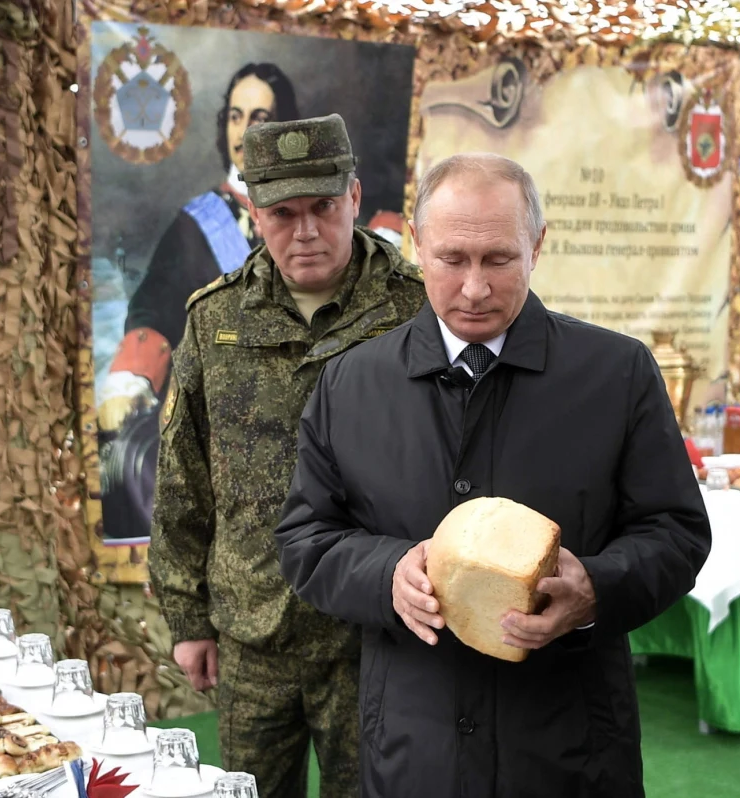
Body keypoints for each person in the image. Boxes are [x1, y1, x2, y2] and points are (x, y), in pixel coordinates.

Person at [274, 152, 711, 797]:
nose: (474, 288)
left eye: (498, 260)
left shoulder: (617, 375)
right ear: (416, 245)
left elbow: (676, 532)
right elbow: (304, 538)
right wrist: (388, 574)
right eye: (452, 259)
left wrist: (596, 587)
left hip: (568, 753)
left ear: (537, 244)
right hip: (412, 749)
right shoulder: (352, 383)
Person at [148, 114, 427, 798]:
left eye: (324, 208)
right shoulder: (216, 319)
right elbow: (183, 476)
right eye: (282, 213)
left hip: (372, 630)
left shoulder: (415, 308)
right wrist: (189, 621)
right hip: (253, 635)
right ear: (252, 210)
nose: (305, 232)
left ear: (355, 197)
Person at [97, 63, 299, 539]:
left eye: (259, 116)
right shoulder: (195, 225)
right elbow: (152, 307)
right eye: (234, 115)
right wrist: (134, 376)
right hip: (218, 438)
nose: (242, 129)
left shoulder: (312, 221)